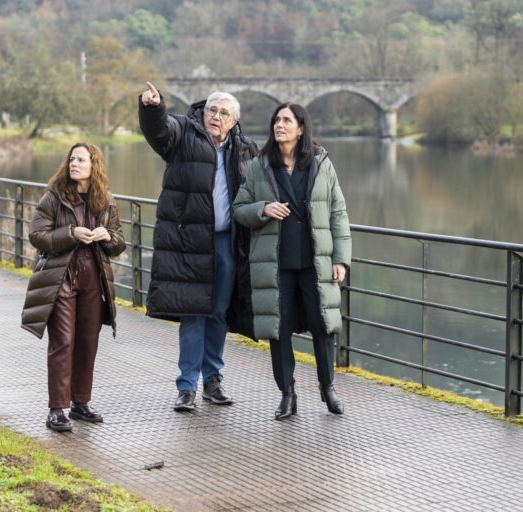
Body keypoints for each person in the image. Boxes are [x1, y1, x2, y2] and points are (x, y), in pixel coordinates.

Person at [138, 82, 258, 411]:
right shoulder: (183, 135)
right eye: (211, 111)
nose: (215, 117)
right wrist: (153, 107)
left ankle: (213, 380)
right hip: (189, 242)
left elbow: (264, 187)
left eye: (223, 113)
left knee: (218, 313)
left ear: (235, 120)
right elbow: (159, 130)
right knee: (194, 313)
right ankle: (187, 386)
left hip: (227, 243)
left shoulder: (246, 149)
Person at [233, 103, 351, 420]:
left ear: (301, 128)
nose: (279, 125)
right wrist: (263, 209)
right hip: (275, 264)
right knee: (278, 329)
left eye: (287, 120)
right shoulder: (260, 166)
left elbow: (339, 214)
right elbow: (239, 209)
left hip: (316, 264)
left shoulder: (321, 164)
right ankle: (287, 395)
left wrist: (341, 259)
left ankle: (328, 388)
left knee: (323, 326)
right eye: (276, 120)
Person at [21, 143, 126, 432]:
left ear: (95, 165)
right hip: (61, 275)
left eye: (81, 159)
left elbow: (119, 244)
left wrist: (106, 236)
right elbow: (37, 236)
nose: (74, 164)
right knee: (63, 342)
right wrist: (71, 233)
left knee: (87, 341)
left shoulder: (105, 200)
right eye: (71, 159)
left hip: (94, 275)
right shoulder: (54, 197)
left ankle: (80, 403)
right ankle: (57, 409)